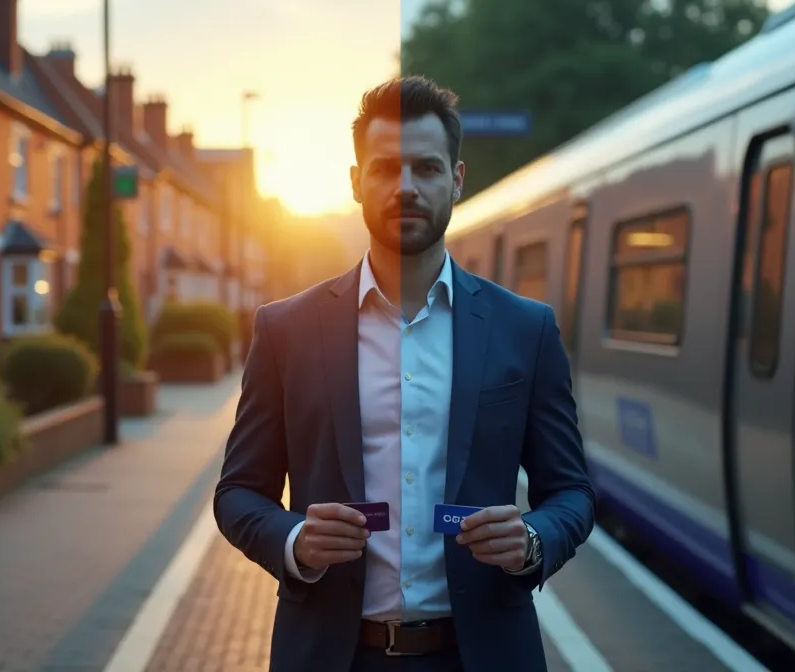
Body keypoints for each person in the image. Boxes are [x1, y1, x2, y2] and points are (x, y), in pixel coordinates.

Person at [214, 75, 595, 672]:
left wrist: (533, 540)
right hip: (333, 655)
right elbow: (238, 493)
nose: (407, 188)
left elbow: (571, 491)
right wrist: (295, 542)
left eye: (426, 168)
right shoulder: (285, 330)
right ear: (356, 182)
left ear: (457, 179)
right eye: (387, 169)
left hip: (482, 654)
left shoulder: (526, 328)